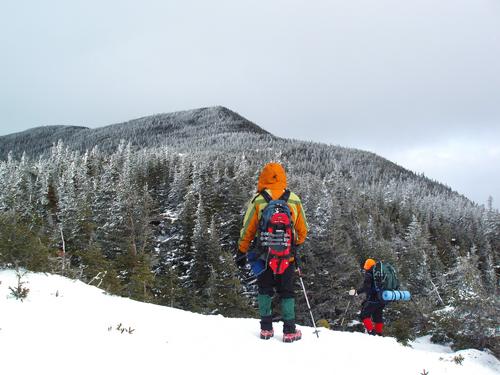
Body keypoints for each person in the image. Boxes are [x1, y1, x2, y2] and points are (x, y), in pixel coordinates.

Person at [236, 162, 308, 342]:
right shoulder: (294, 199)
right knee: (287, 291)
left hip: (264, 255)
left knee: (265, 289)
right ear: (283, 177)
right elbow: (303, 230)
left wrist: (241, 250)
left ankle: (266, 329)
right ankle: (289, 331)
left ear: (263, 177)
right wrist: (292, 245)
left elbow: (247, 229)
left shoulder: (258, 200)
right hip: (287, 257)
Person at [350, 258, 386, 336]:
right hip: (383, 298)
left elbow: (366, 287)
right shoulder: (381, 272)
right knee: (378, 316)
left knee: (364, 315)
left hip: (373, 298)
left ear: (367, 266)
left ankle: (372, 332)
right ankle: (379, 334)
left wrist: (357, 292)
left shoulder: (369, 274)